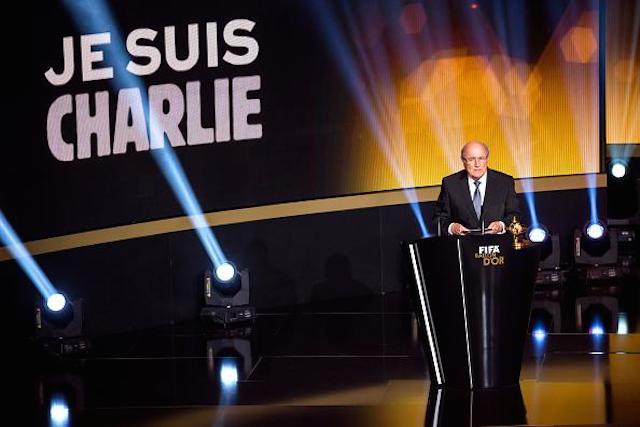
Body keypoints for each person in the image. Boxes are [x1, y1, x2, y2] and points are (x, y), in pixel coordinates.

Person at [433, 141, 520, 236]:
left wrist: (501, 225)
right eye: (471, 159)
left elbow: (515, 215)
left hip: (497, 242)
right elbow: (439, 219)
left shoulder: (505, 182)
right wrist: (452, 227)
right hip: (463, 242)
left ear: (487, 159)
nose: (477, 164)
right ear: (463, 161)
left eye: (481, 158)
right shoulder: (450, 184)